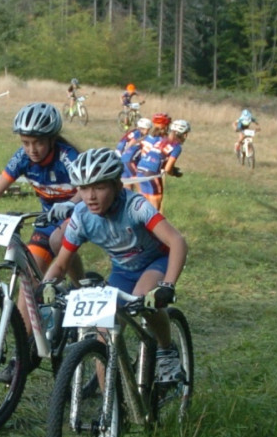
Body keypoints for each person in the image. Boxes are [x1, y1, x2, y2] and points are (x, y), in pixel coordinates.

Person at [39, 147, 189, 383]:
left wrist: (168, 285)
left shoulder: (136, 206)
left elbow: (177, 241)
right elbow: (61, 263)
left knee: (142, 297)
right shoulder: (81, 216)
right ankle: (113, 402)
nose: (90, 196)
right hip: (123, 271)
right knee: (104, 337)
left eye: (99, 187)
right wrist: (46, 283)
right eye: (84, 188)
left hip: (155, 262)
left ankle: (166, 350)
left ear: (117, 186)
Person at [0, 103, 85, 322]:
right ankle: (25, 341)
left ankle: (80, 287)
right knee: (29, 281)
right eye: (26, 142)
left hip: (78, 215)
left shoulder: (67, 156)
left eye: (38, 143)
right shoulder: (23, 157)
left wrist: (71, 203)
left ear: (52, 139)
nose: (31, 149)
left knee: (59, 239)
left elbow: (87, 188)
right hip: (48, 220)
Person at [122, 112, 179, 211]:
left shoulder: (148, 137)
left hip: (130, 162)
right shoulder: (160, 140)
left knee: (136, 197)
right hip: (140, 166)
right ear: (165, 126)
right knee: (151, 202)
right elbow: (155, 158)